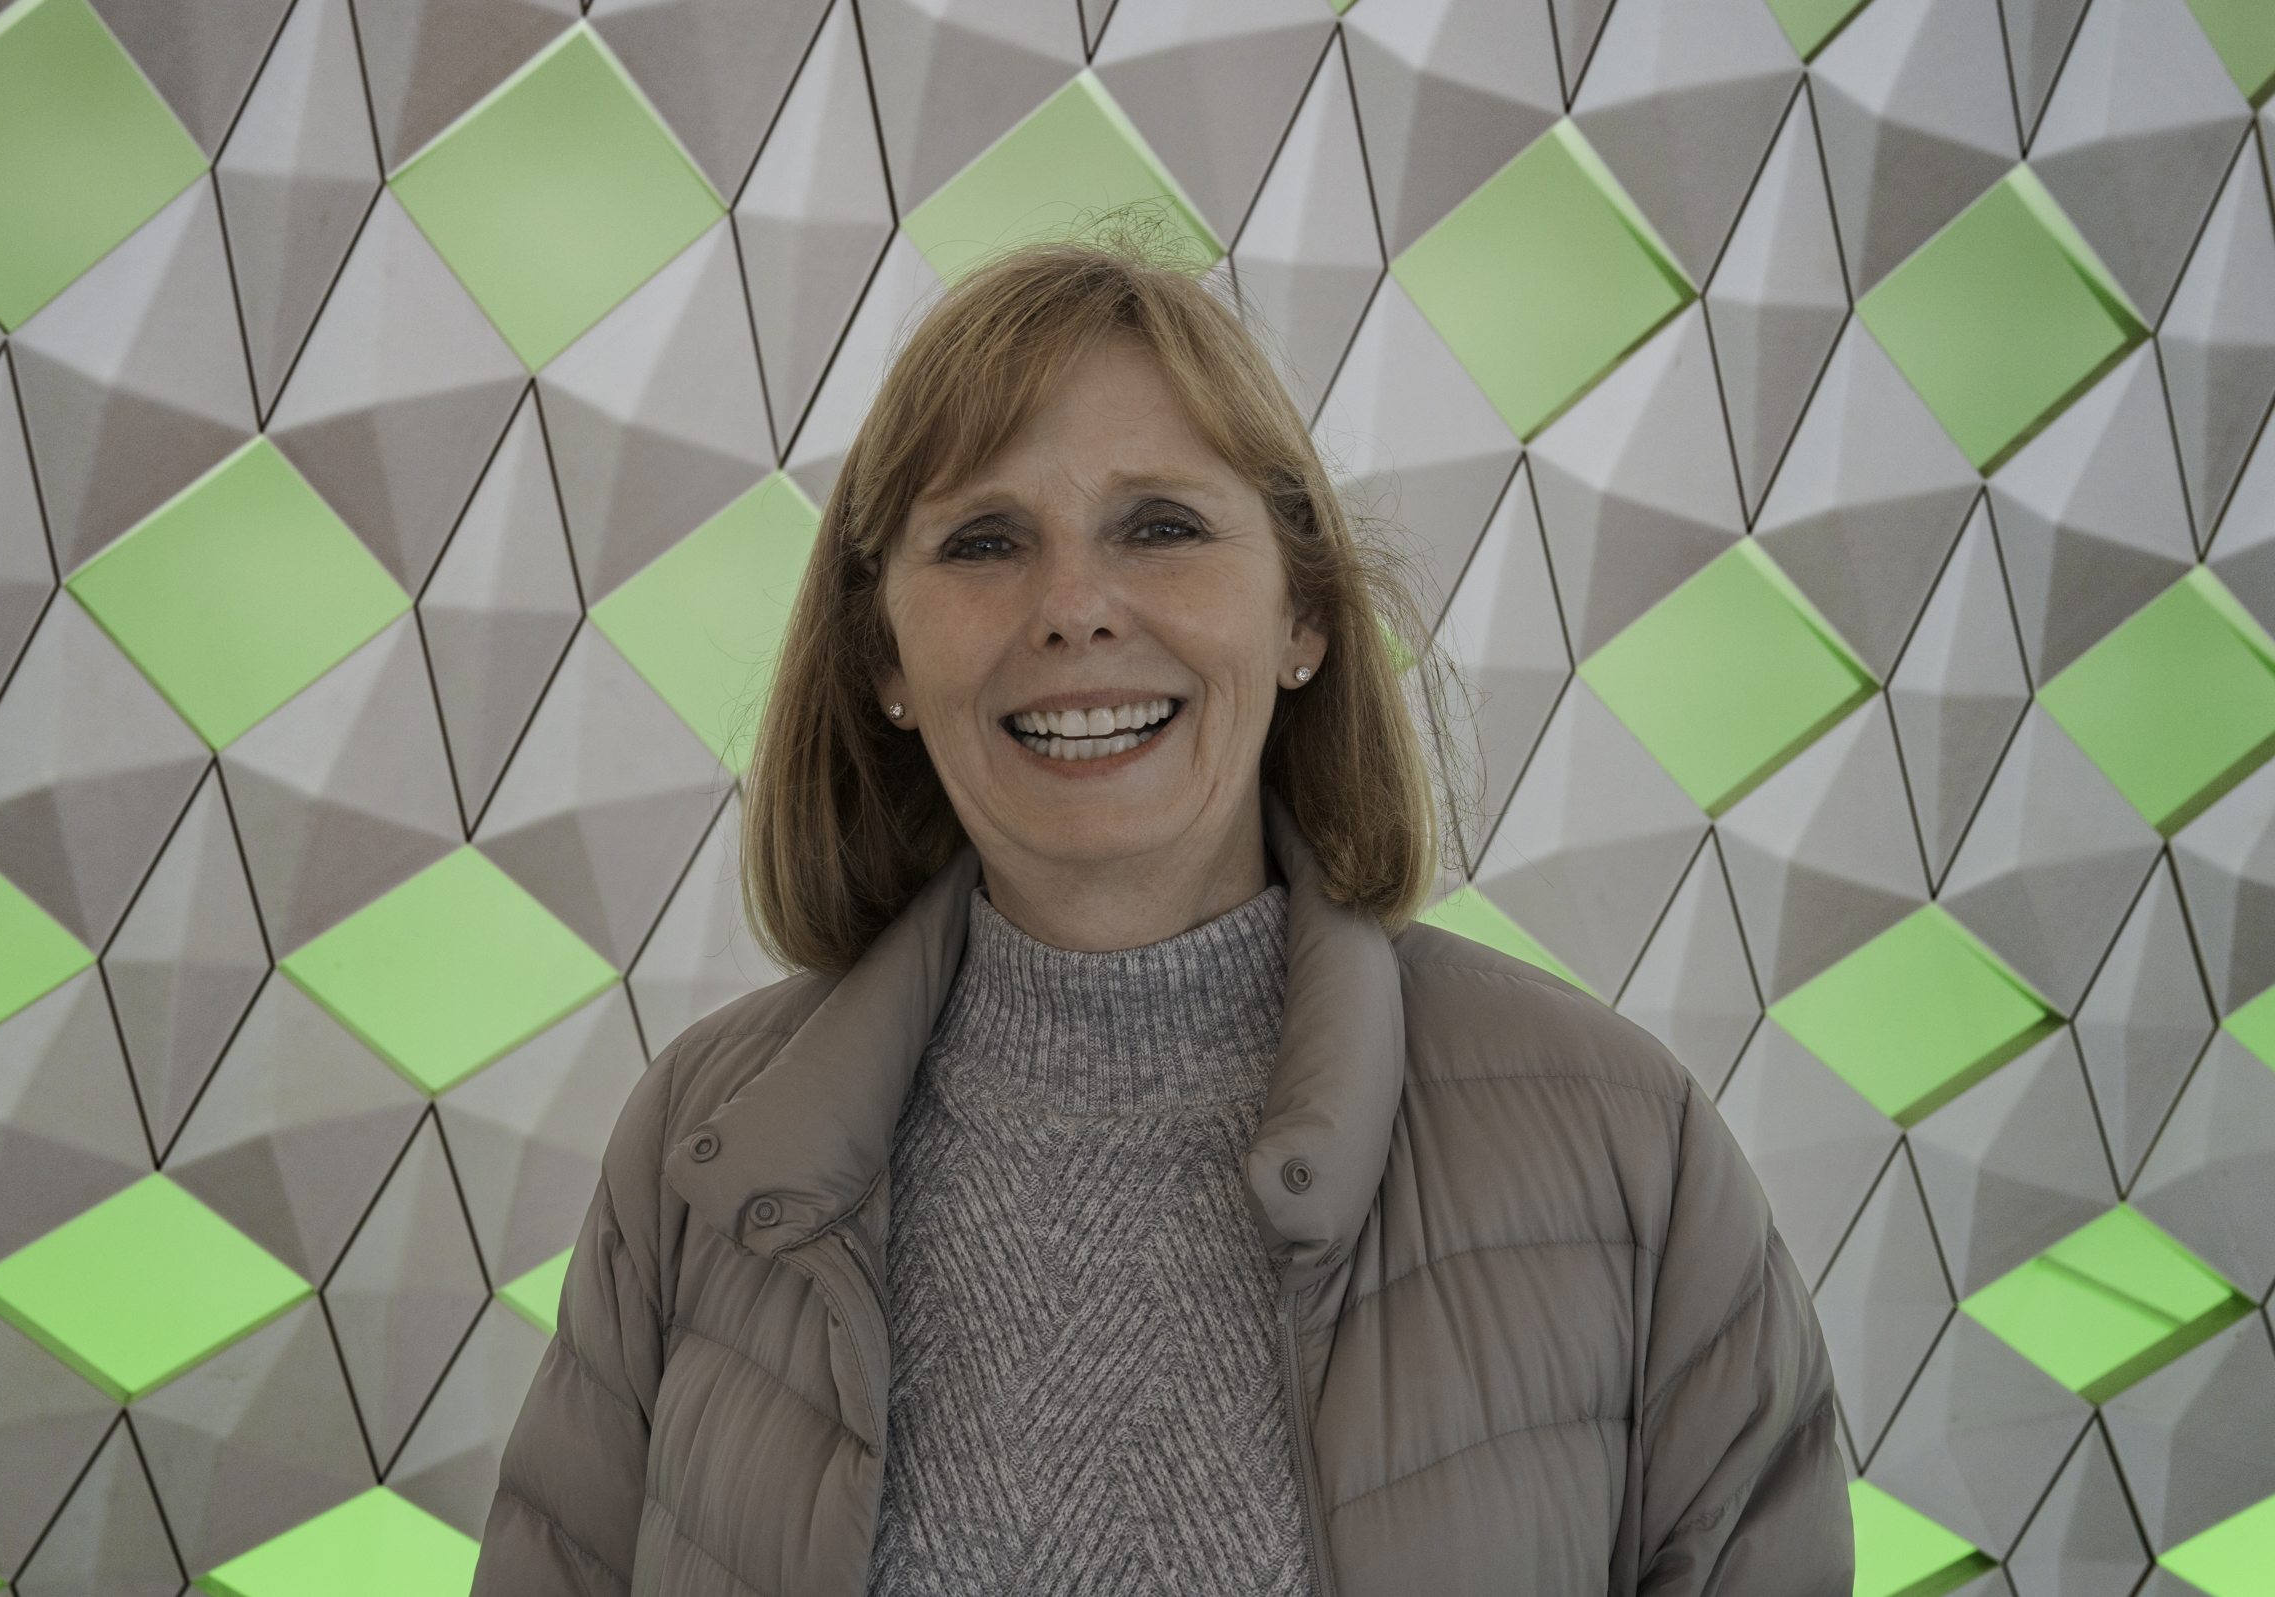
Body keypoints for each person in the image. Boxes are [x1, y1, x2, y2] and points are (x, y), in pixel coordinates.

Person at [470, 240, 1853, 1597]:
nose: (1074, 608)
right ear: (884, 653)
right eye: (985, 541)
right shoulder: (699, 1144)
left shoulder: (1627, 1144)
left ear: (1304, 618)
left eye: (1163, 528)